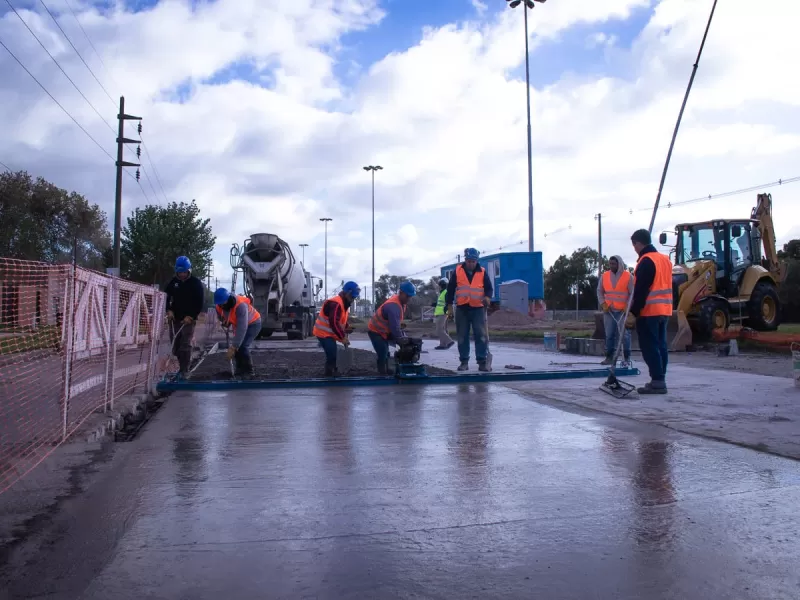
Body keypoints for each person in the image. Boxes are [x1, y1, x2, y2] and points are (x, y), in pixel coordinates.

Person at [628, 229, 674, 394]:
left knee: (649, 346)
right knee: (661, 345)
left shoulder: (646, 261)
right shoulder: (665, 260)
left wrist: (634, 311)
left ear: (639, 243)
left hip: (649, 311)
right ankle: (659, 379)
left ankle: (658, 381)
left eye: (634, 245)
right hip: (665, 309)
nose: (634, 249)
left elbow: (641, 290)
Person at [444, 248, 493, 371]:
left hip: (478, 309)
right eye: (469, 261)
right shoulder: (458, 271)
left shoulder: (482, 272)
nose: (471, 264)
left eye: (473, 261)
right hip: (462, 309)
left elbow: (489, 288)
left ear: (477, 261)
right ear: (465, 260)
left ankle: (482, 361)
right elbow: (450, 288)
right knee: (462, 336)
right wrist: (449, 305)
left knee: (481, 336)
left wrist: (487, 297)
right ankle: (464, 362)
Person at [164, 256, 205, 380]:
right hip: (175, 318)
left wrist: (192, 316)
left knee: (185, 345)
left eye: (184, 272)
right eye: (179, 272)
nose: (182, 274)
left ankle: (184, 371)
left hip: (189, 320)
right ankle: (182, 366)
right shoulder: (173, 283)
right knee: (175, 347)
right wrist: (169, 310)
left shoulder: (195, 283)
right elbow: (166, 297)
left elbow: (199, 302)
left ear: (189, 271)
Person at [313, 281, 360, 377]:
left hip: (329, 333)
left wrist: (346, 327)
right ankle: (329, 374)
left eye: (354, 298)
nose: (353, 300)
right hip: (323, 333)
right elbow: (333, 322)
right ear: (347, 293)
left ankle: (332, 371)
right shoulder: (336, 303)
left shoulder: (344, 303)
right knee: (332, 354)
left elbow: (340, 320)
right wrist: (342, 337)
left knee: (333, 354)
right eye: (352, 297)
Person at [368, 281, 415, 375]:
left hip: (384, 330)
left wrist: (403, 336)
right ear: (401, 293)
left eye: (410, 296)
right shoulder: (393, 306)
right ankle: (382, 374)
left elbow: (396, 324)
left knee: (386, 353)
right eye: (407, 296)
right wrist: (402, 340)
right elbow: (395, 329)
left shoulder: (401, 302)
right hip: (375, 330)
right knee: (383, 352)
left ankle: (388, 370)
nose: (409, 299)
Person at [213, 288, 262, 378]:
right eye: (220, 304)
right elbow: (221, 317)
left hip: (253, 323)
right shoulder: (218, 306)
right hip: (238, 324)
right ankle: (239, 371)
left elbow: (242, 328)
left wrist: (234, 346)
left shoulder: (241, 306)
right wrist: (224, 322)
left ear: (228, 299)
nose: (222, 306)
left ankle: (249, 371)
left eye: (223, 303)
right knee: (237, 348)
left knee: (242, 346)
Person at [597, 255, 633, 366]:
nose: (611, 266)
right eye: (610, 264)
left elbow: (632, 293)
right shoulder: (605, 276)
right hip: (609, 311)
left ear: (619, 264)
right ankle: (609, 357)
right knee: (609, 334)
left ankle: (626, 358)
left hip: (622, 311)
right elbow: (599, 291)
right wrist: (603, 304)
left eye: (614, 264)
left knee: (624, 335)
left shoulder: (628, 276)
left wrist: (628, 306)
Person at [432, 277, 454, 350]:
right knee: (442, 329)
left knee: (439, 330)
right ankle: (442, 345)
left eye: (440, 284)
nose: (439, 286)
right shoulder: (442, 293)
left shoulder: (445, 292)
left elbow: (448, 302)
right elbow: (442, 303)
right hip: (440, 312)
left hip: (443, 313)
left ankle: (449, 341)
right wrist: (435, 304)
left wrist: (447, 310)